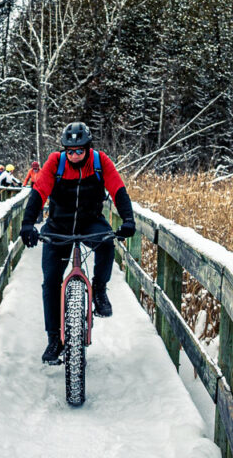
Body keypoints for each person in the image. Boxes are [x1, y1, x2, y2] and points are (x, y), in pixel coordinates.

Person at [20, 122, 136, 364]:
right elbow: (39, 192)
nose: (74, 155)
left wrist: (128, 220)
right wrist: (28, 224)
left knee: (106, 243)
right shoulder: (55, 162)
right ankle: (54, 339)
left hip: (90, 221)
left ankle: (100, 290)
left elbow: (118, 190)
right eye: (69, 151)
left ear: (87, 148)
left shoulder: (100, 161)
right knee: (51, 281)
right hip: (58, 225)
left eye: (79, 151)